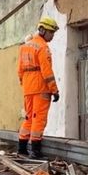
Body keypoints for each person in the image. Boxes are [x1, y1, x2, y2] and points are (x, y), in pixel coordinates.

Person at [17, 17, 60, 158]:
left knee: (29, 118)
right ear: (43, 30)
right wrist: (54, 90)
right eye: (51, 32)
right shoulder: (43, 48)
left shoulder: (25, 47)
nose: (52, 35)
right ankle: (35, 151)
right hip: (41, 88)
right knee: (39, 119)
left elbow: (20, 71)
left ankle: (22, 149)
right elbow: (47, 71)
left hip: (28, 89)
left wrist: (25, 85)